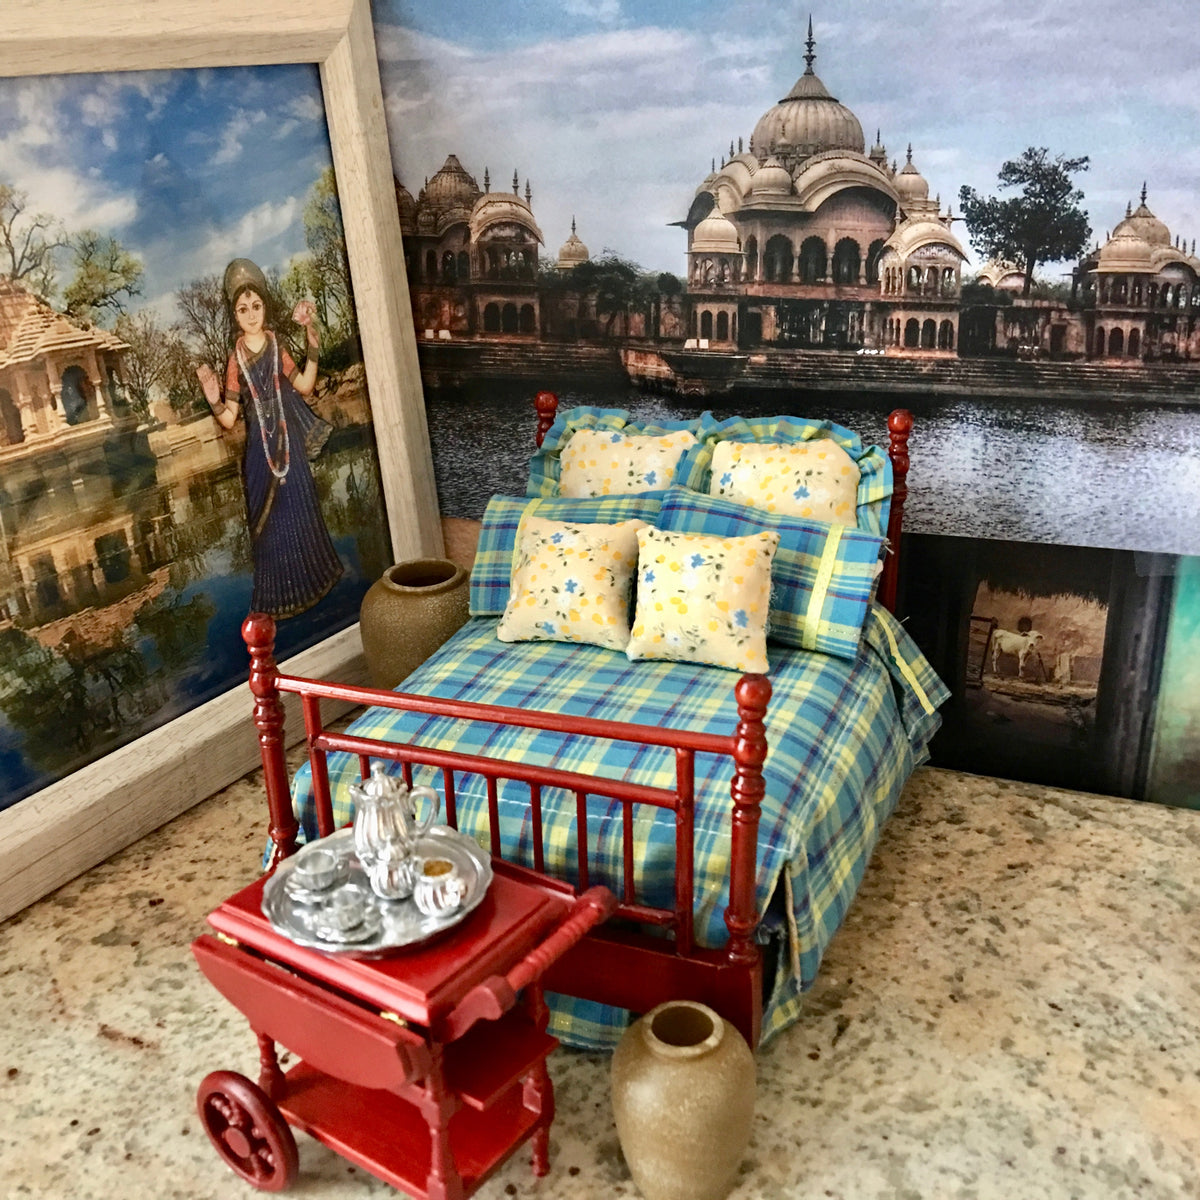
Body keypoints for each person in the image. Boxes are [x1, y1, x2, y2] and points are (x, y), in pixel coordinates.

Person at [197, 258, 343, 619]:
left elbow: (304, 386)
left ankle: (315, 587)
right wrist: (213, 399)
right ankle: (279, 600)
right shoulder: (235, 359)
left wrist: (312, 345)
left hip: (291, 448)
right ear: (234, 315)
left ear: (265, 307)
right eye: (243, 309)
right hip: (259, 458)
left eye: (256, 306)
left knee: (301, 514)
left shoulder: (278, 347)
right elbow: (229, 419)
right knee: (269, 529)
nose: (251, 315)